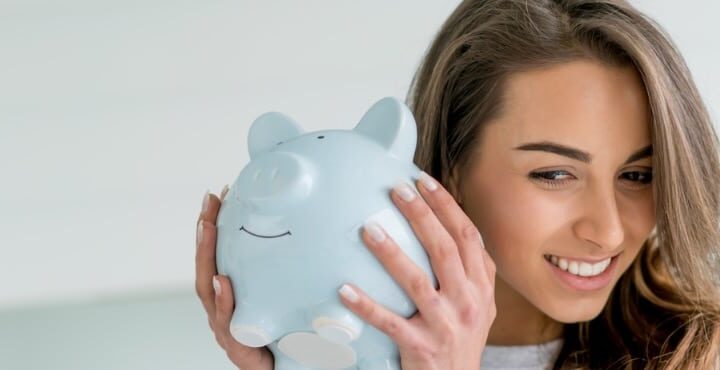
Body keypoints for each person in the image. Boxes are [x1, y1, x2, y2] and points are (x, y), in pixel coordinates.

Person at [195, 0, 720, 369]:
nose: (607, 232)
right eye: (555, 174)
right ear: (451, 169)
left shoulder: (698, 354)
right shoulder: (341, 339)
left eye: (637, 175)